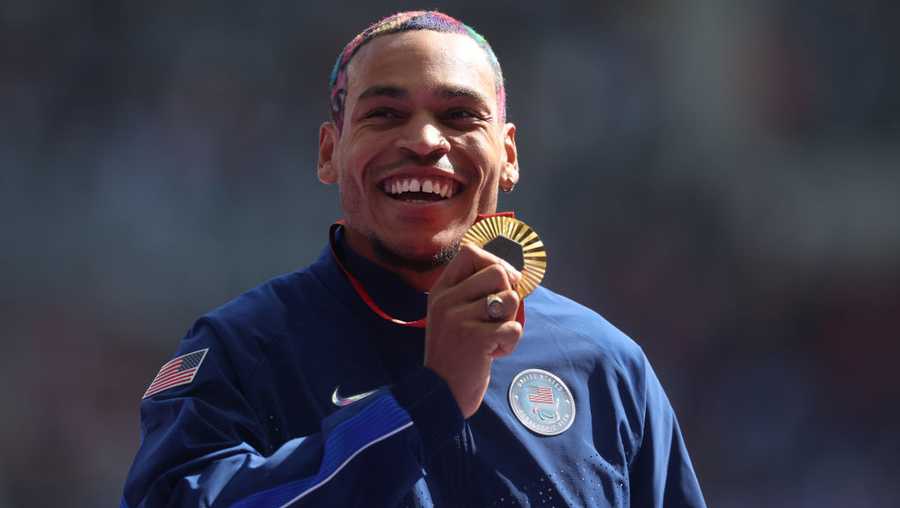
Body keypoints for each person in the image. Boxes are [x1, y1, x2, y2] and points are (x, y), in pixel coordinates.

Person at [122, 11, 706, 508]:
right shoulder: (243, 348)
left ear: (507, 156)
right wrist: (427, 401)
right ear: (330, 152)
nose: (425, 141)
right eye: (385, 114)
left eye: (459, 116)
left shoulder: (604, 365)